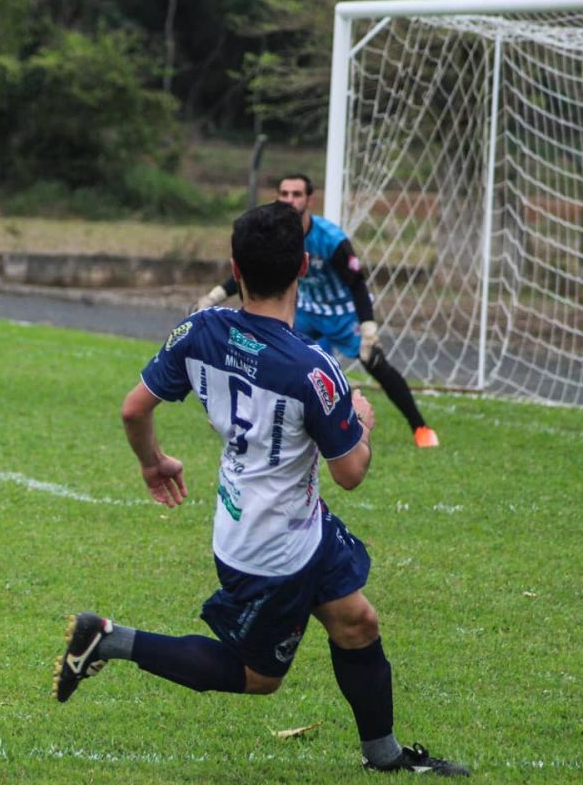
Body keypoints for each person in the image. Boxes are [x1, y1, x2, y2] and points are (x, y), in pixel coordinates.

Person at [54, 202, 468, 777]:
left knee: (358, 621)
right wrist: (364, 422)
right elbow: (351, 473)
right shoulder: (314, 370)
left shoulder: (200, 330)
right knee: (257, 678)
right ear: (304, 266)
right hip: (269, 548)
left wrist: (154, 462)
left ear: (234, 266)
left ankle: (387, 757)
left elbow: (133, 409)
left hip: (294, 521)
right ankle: (109, 640)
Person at [192, 174, 439, 448]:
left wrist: (369, 331)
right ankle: (241, 416)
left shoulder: (331, 239)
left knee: (376, 363)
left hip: (342, 315)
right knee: (261, 353)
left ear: (309, 199)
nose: (289, 200)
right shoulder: (278, 236)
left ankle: (420, 428)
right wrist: (214, 296)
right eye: (284, 194)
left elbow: (357, 283)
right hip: (304, 312)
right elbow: (252, 267)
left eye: (296, 194)